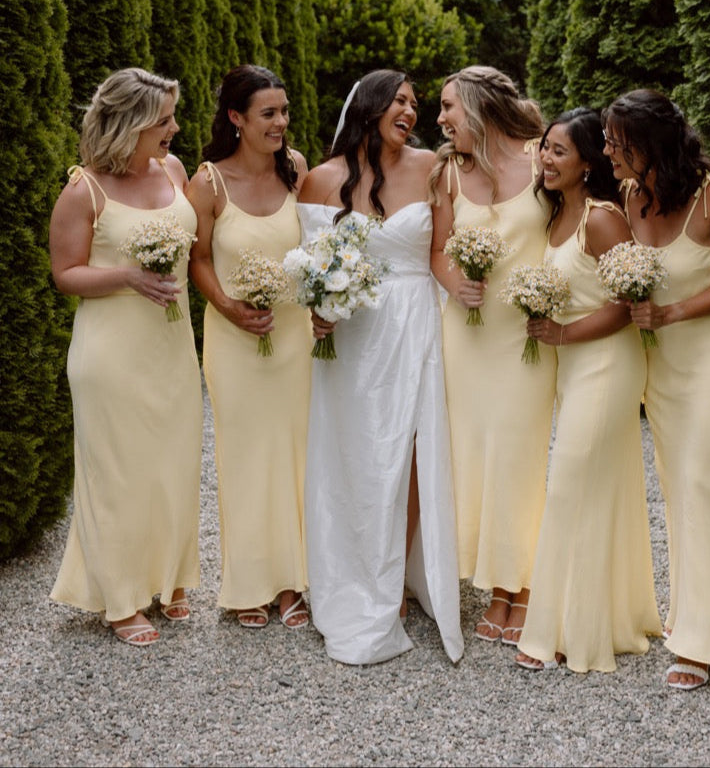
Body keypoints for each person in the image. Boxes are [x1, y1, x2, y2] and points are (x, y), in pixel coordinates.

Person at [297, 69, 464, 665]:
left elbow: (439, 249)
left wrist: (467, 291)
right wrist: (318, 310)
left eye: (415, 104)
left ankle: (392, 580)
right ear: (369, 107)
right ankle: (354, 573)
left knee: (411, 451)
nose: (411, 112)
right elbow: (313, 264)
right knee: (355, 453)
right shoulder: (321, 181)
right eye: (400, 101)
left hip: (416, 324)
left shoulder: (431, 170)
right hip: (352, 337)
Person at [602, 88, 710, 691]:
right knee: (676, 489)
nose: (609, 151)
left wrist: (672, 312)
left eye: (617, 141)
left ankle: (707, 644)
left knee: (704, 483)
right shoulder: (631, 197)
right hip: (660, 370)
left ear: (648, 143)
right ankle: (690, 621)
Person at [49, 68, 203, 646]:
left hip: (171, 349)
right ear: (131, 123)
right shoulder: (83, 189)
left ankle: (168, 578)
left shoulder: (174, 170)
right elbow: (66, 274)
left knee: (173, 464)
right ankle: (120, 601)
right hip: (111, 355)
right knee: (116, 473)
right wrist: (129, 277)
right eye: (163, 120)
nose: (174, 127)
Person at [513, 108, 661, 673]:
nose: (546, 160)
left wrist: (563, 332)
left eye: (558, 152)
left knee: (571, 484)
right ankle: (605, 615)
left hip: (607, 364)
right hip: (573, 368)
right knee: (595, 487)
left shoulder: (601, 219)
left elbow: (628, 303)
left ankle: (557, 632)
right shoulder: (554, 216)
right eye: (544, 148)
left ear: (586, 164)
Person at [429, 65, 556, 647]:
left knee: (520, 454)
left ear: (477, 106)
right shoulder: (449, 174)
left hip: (526, 337)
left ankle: (524, 584)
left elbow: (575, 231)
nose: (440, 119)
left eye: (448, 107)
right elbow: (438, 252)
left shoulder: (543, 162)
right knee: (476, 454)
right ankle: (495, 587)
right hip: (469, 335)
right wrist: (456, 284)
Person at [186, 65, 312, 630]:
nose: (281, 122)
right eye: (269, 113)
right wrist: (230, 308)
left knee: (295, 452)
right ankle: (246, 584)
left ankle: (293, 582)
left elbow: (316, 251)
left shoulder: (298, 172)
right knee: (243, 454)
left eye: (284, 111)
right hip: (233, 338)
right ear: (236, 118)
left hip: (294, 336)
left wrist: (322, 306)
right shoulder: (207, 183)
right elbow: (199, 259)